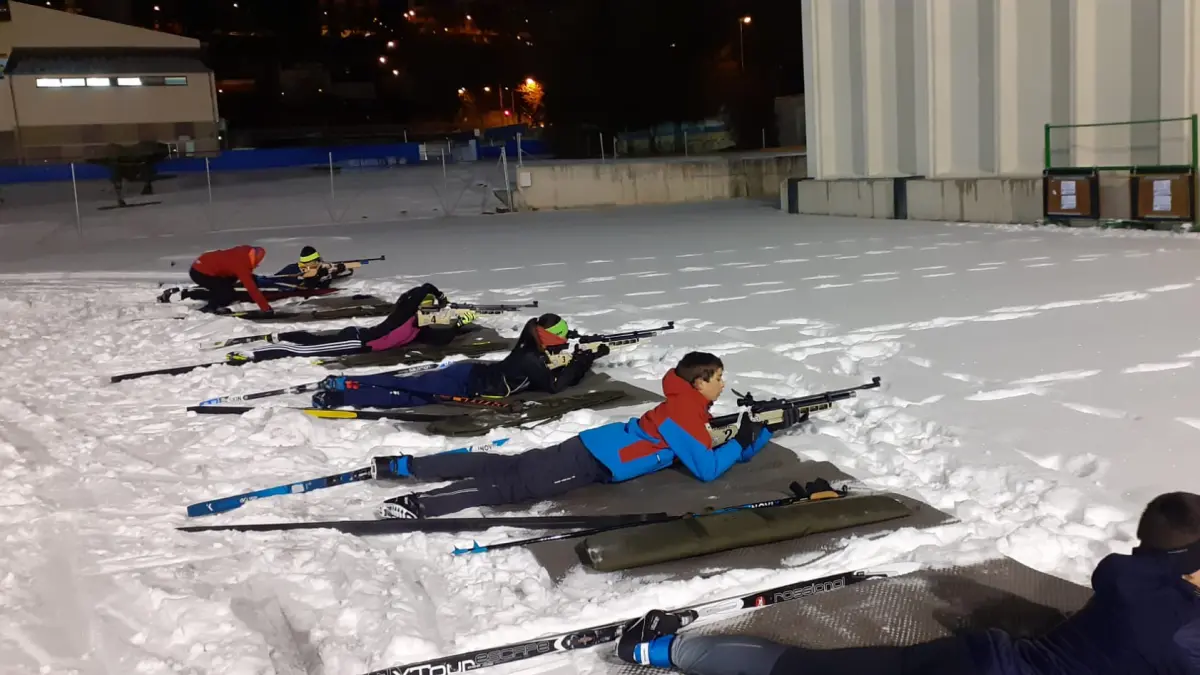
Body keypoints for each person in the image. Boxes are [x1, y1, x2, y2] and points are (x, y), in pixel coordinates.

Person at [614, 491, 1200, 675]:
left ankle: (657, 648)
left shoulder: (1127, 578)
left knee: (800, 668)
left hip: (979, 659)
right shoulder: (1180, 628)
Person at [378, 351, 806, 520]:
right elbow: (707, 467)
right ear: (698, 383)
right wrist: (743, 439)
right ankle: (421, 504)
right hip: (592, 461)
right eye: (717, 378)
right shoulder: (683, 413)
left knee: (508, 466)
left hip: (593, 449)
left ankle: (405, 466)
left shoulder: (687, 405)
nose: (723, 384)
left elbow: (713, 446)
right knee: (510, 486)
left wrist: (761, 432)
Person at [311, 313, 606, 410]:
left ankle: (344, 386)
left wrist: (584, 350)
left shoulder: (532, 346)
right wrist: (583, 360)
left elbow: (559, 356)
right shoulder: (532, 358)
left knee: (408, 386)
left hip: (469, 374)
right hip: (463, 383)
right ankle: (341, 393)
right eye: (561, 337)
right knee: (407, 394)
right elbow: (555, 386)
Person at [242, 282, 478, 363]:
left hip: (358, 338)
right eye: (425, 307)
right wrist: (441, 297)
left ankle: (281, 337)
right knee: (310, 350)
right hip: (358, 341)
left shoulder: (419, 329)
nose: (428, 312)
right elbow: (422, 289)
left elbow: (439, 339)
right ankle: (256, 354)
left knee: (315, 341)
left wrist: (458, 324)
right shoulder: (405, 314)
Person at [184, 245, 272, 313]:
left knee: (228, 286)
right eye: (259, 262)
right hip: (199, 272)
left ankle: (218, 296)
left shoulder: (246, 251)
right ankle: (209, 308)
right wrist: (265, 308)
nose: (258, 265)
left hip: (204, 264)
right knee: (227, 293)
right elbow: (251, 288)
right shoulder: (240, 265)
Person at [263, 245, 351, 290]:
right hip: (277, 284)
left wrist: (334, 272)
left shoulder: (319, 268)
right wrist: (323, 276)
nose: (318, 264)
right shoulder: (294, 270)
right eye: (315, 262)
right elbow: (310, 287)